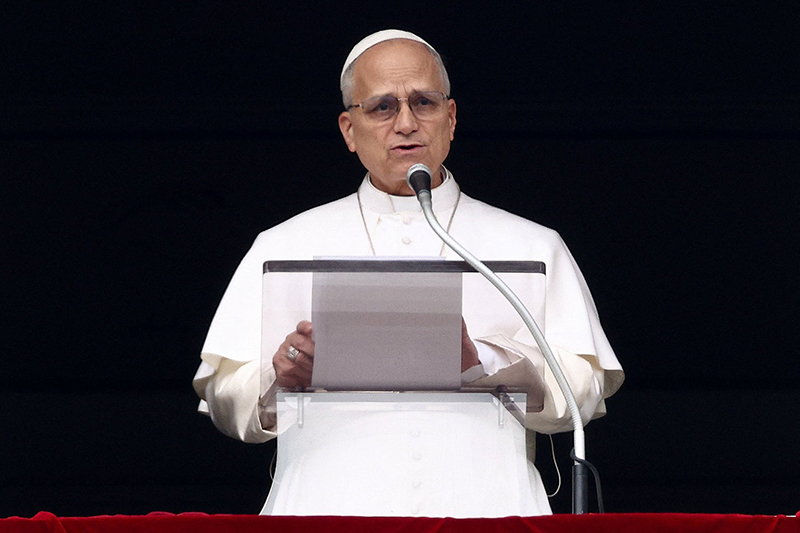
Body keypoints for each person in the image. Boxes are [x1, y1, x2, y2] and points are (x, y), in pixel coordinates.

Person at [193, 29, 624, 516]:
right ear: (349, 130)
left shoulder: (532, 244)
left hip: (489, 513)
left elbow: (585, 394)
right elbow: (224, 400)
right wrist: (282, 378)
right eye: (381, 107)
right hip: (326, 512)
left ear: (452, 117)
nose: (405, 123)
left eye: (424, 102)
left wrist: (480, 360)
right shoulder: (284, 245)